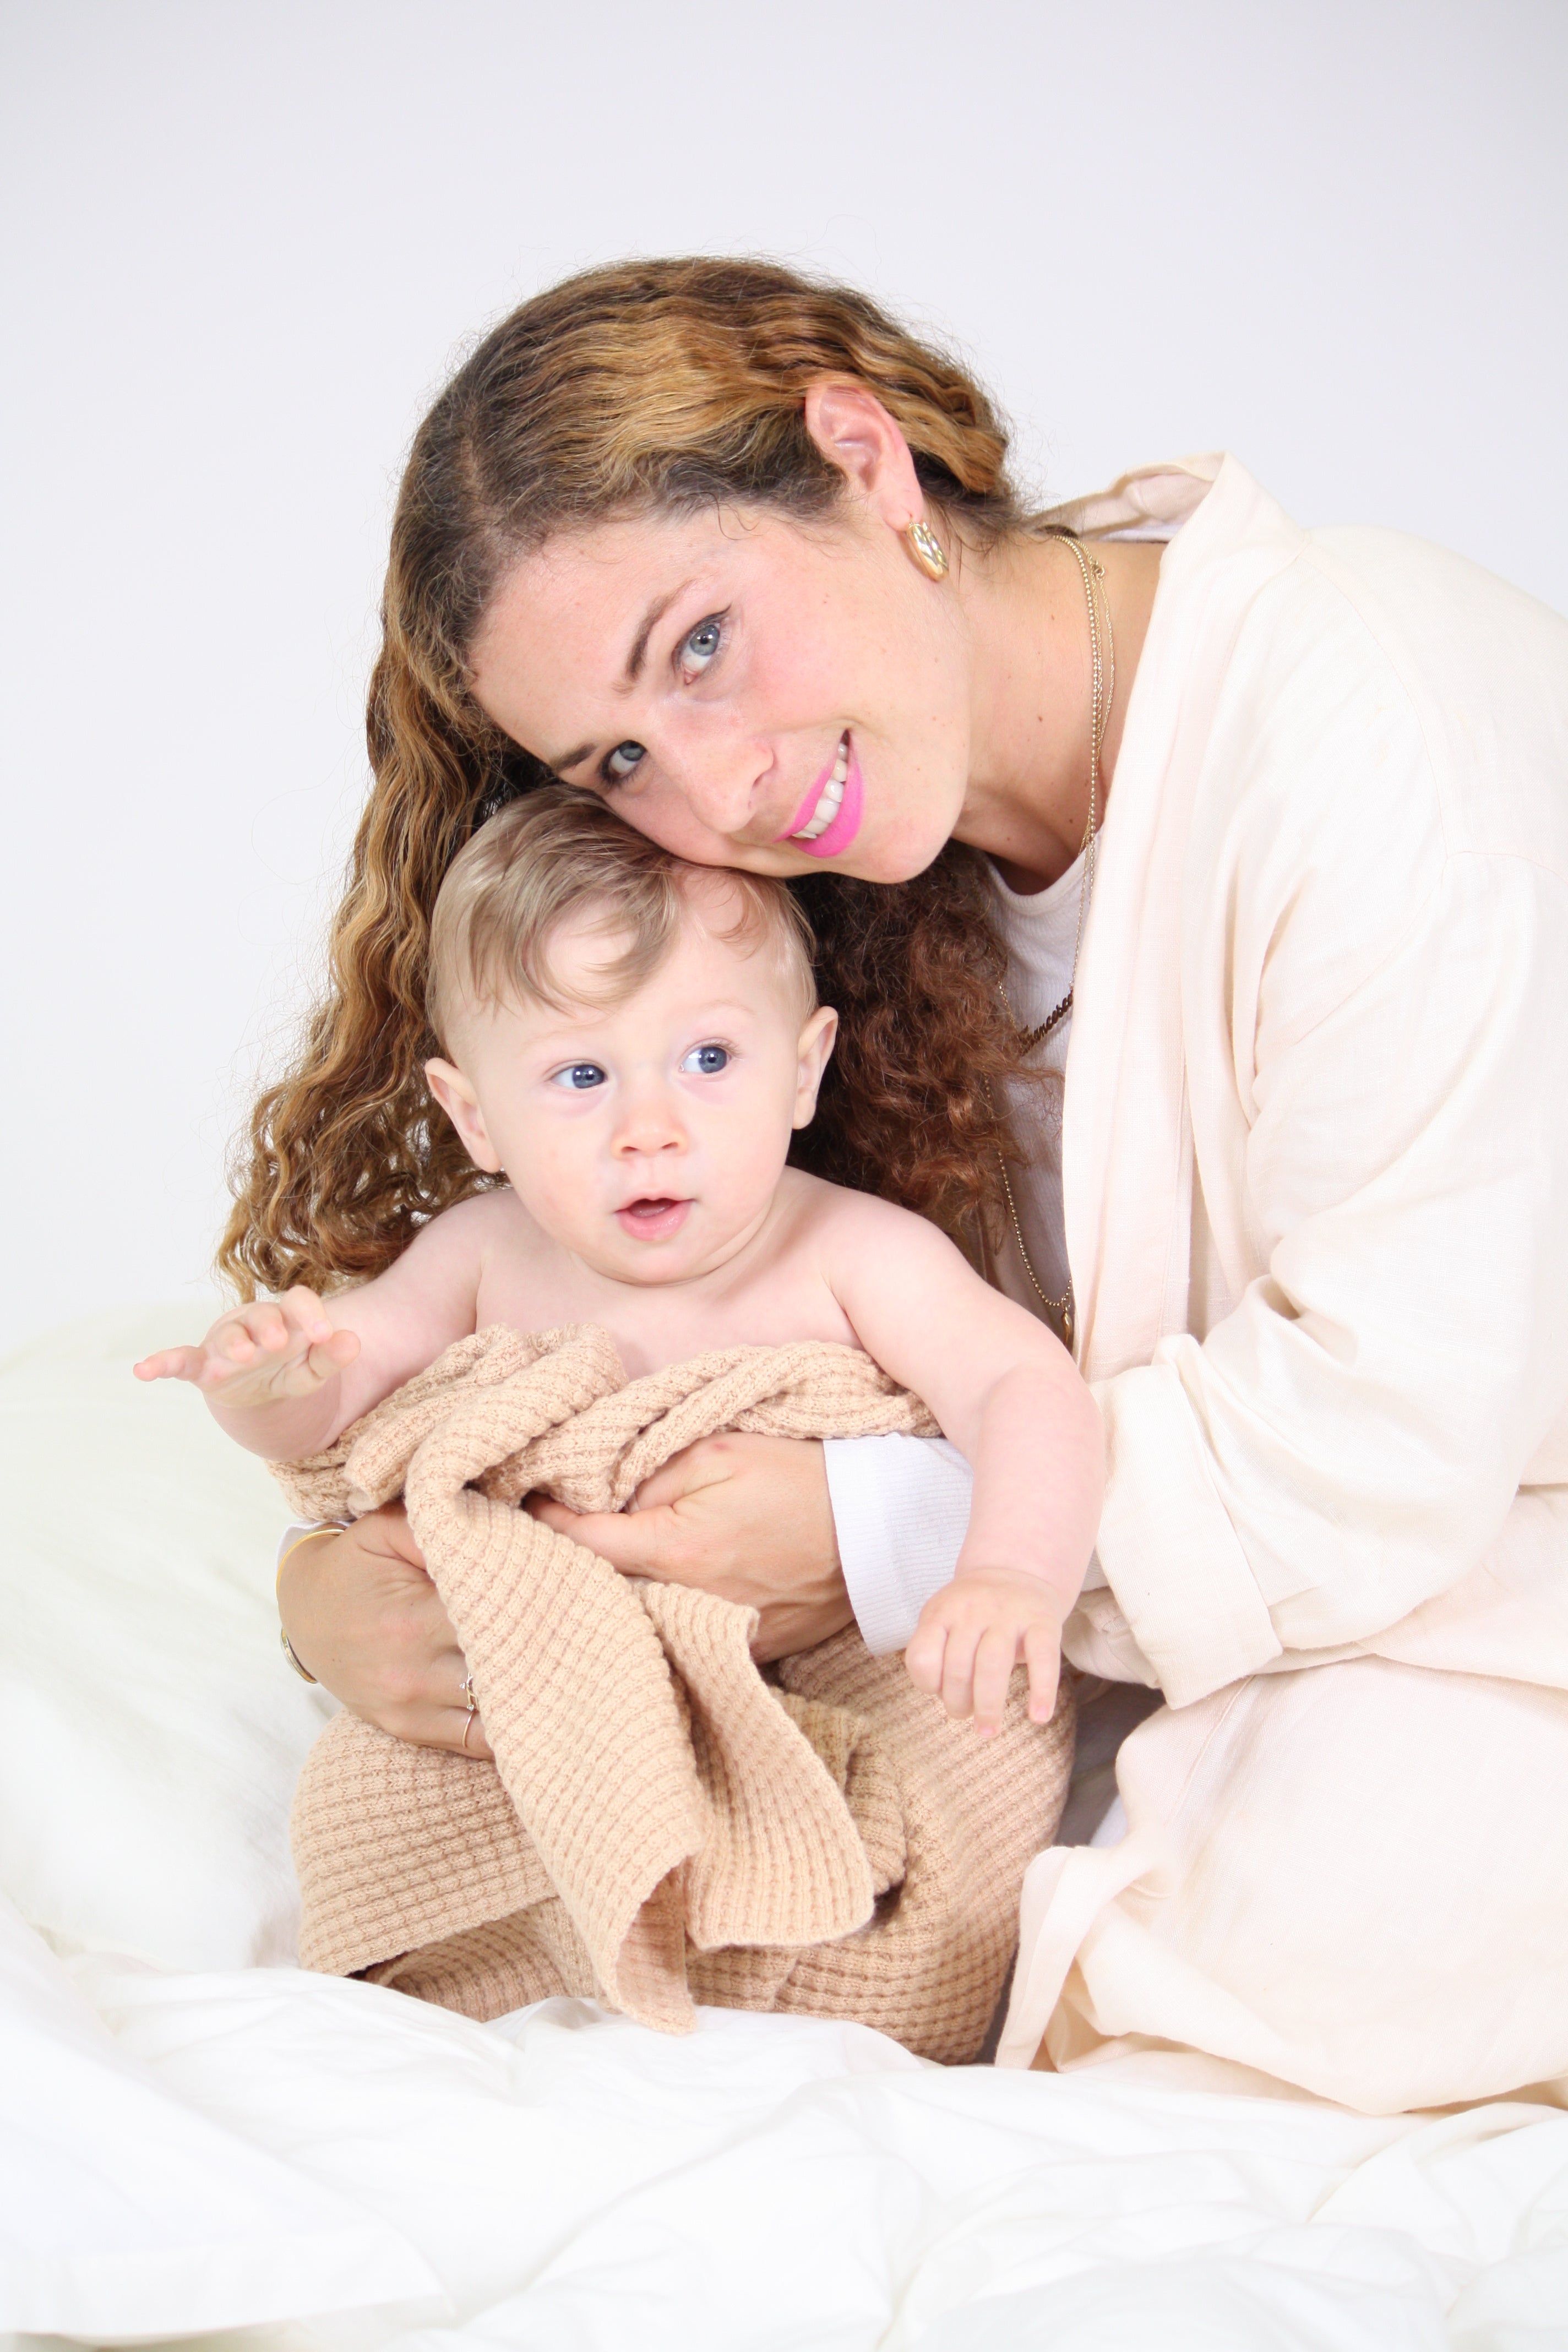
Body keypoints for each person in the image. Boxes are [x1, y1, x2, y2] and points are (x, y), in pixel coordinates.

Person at [235, 257, 1568, 2113]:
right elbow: (613, 1327)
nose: (716, 792)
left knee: (1245, 2015)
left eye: (698, 641)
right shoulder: (840, 900)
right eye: (617, 756)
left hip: (1475, 1606)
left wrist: (873, 1535)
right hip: (1091, 1681)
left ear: (861, 459)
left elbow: (1387, 1431)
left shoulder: (1372, 724)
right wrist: (331, 1585)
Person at [140, 791, 1102, 1734]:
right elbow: (336, 1402)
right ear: (475, 1115)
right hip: (568, 1710)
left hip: (817, 1696)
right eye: (583, 1076)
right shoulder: (482, 1253)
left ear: (802, 1069)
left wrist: (1009, 1569)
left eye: (710, 1059)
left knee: (951, 1762)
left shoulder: (854, 1254)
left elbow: (1021, 1385)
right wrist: (261, 1384)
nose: (651, 1131)